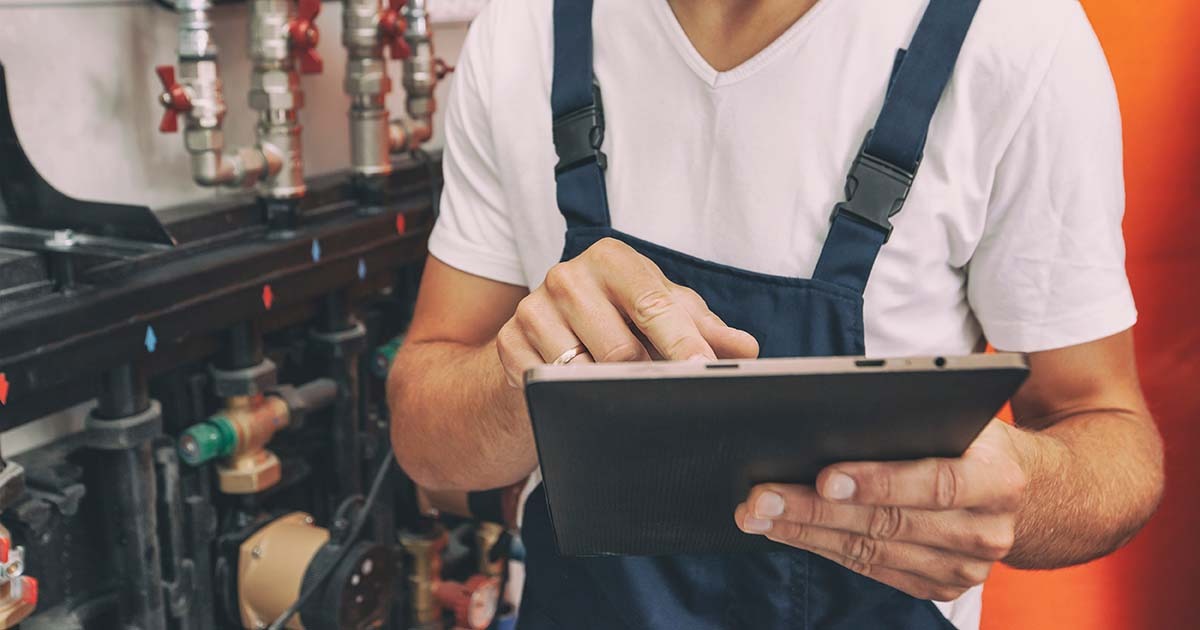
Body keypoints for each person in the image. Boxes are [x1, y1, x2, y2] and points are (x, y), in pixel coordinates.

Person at [388, 0, 1165, 628]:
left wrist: (1021, 495)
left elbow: (1110, 433)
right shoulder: (523, 31)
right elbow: (424, 433)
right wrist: (512, 377)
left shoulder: (1015, 37)